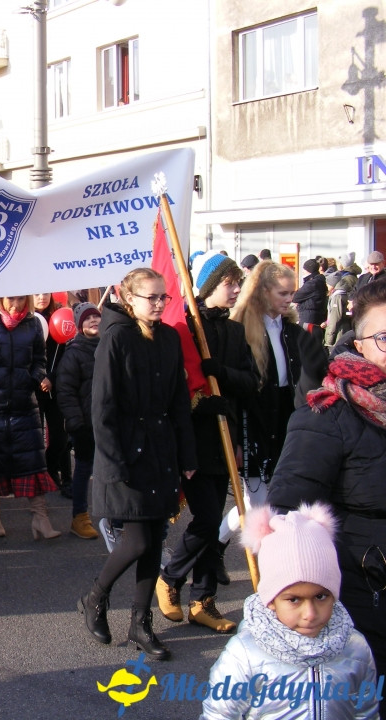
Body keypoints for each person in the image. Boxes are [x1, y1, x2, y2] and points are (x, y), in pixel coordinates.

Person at [268, 280, 386, 702]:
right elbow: (287, 514)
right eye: (385, 338)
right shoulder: (328, 411)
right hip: (363, 593)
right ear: (360, 340)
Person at [77, 268, 197, 661]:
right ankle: (95, 597)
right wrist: (111, 463)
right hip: (128, 453)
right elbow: (103, 407)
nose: (161, 303)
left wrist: (187, 455)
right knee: (138, 540)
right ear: (130, 299)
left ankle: (140, 624)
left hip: (161, 451)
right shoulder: (115, 336)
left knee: (153, 542)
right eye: (152, 297)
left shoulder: (168, 337)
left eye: (164, 297)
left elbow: (179, 400)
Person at [155, 252, 257, 635]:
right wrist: (201, 403)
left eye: (236, 283)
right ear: (210, 286)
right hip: (194, 437)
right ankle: (170, 576)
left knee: (212, 521)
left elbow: (249, 383)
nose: (235, 290)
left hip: (224, 435)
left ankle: (203, 599)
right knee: (209, 517)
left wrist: (223, 374)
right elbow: (171, 386)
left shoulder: (233, 330)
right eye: (229, 283)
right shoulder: (185, 326)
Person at [201, 503, 380, 720]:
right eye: (294, 600)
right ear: (271, 600)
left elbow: (365, 711)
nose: (310, 614)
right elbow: (219, 714)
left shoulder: (355, 648)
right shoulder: (245, 654)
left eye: (321, 596)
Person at [217, 261, 327, 547]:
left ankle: (216, 543)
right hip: (252, 419)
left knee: (274, 501)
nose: (290, 299)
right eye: (283, 293)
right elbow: (233, 389)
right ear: (264, 292)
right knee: (260, 505)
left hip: (285, 416)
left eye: (292, 293)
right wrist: (234, 438)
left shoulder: (291, 330)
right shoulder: (239, 327)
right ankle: (223, 547)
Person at [0, 296, 61, 540]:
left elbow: (39, 360)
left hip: (23, 402)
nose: (15, 304)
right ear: (0, 298)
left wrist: (41, 377)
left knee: (32, 461)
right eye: (10, 299)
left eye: (20, 299)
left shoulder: (33, 323)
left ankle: (41, 518)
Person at [54, 302, 102, 539]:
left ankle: (116, 518)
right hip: (85, 424)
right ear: (79, 325)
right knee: (84, 469)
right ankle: (79, 517)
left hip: (108, 422)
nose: (93, 321)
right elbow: (65, 391)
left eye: (96, 317)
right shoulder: (73, 352)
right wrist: (76, 423)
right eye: (87, 319)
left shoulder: (109, 347)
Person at [33, 293, 70, 495]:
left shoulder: (61, 317)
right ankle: (43, 477)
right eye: (37, 294)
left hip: (56, 386)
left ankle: (55, 470)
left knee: (60, 437)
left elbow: (66, 355)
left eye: (45, 293)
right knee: (36, 437)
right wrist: (39, 378)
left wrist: (52, 378)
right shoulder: (27, 322)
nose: (42, 298)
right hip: (34, 387)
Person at [325, 271, 356, 351]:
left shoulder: (337, 296)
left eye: (327, 284)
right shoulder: (343, 293)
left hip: (338, 333)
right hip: (342, 331)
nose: (326, 286)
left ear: (333, 285)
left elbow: (335, 318)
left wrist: (329, 340)